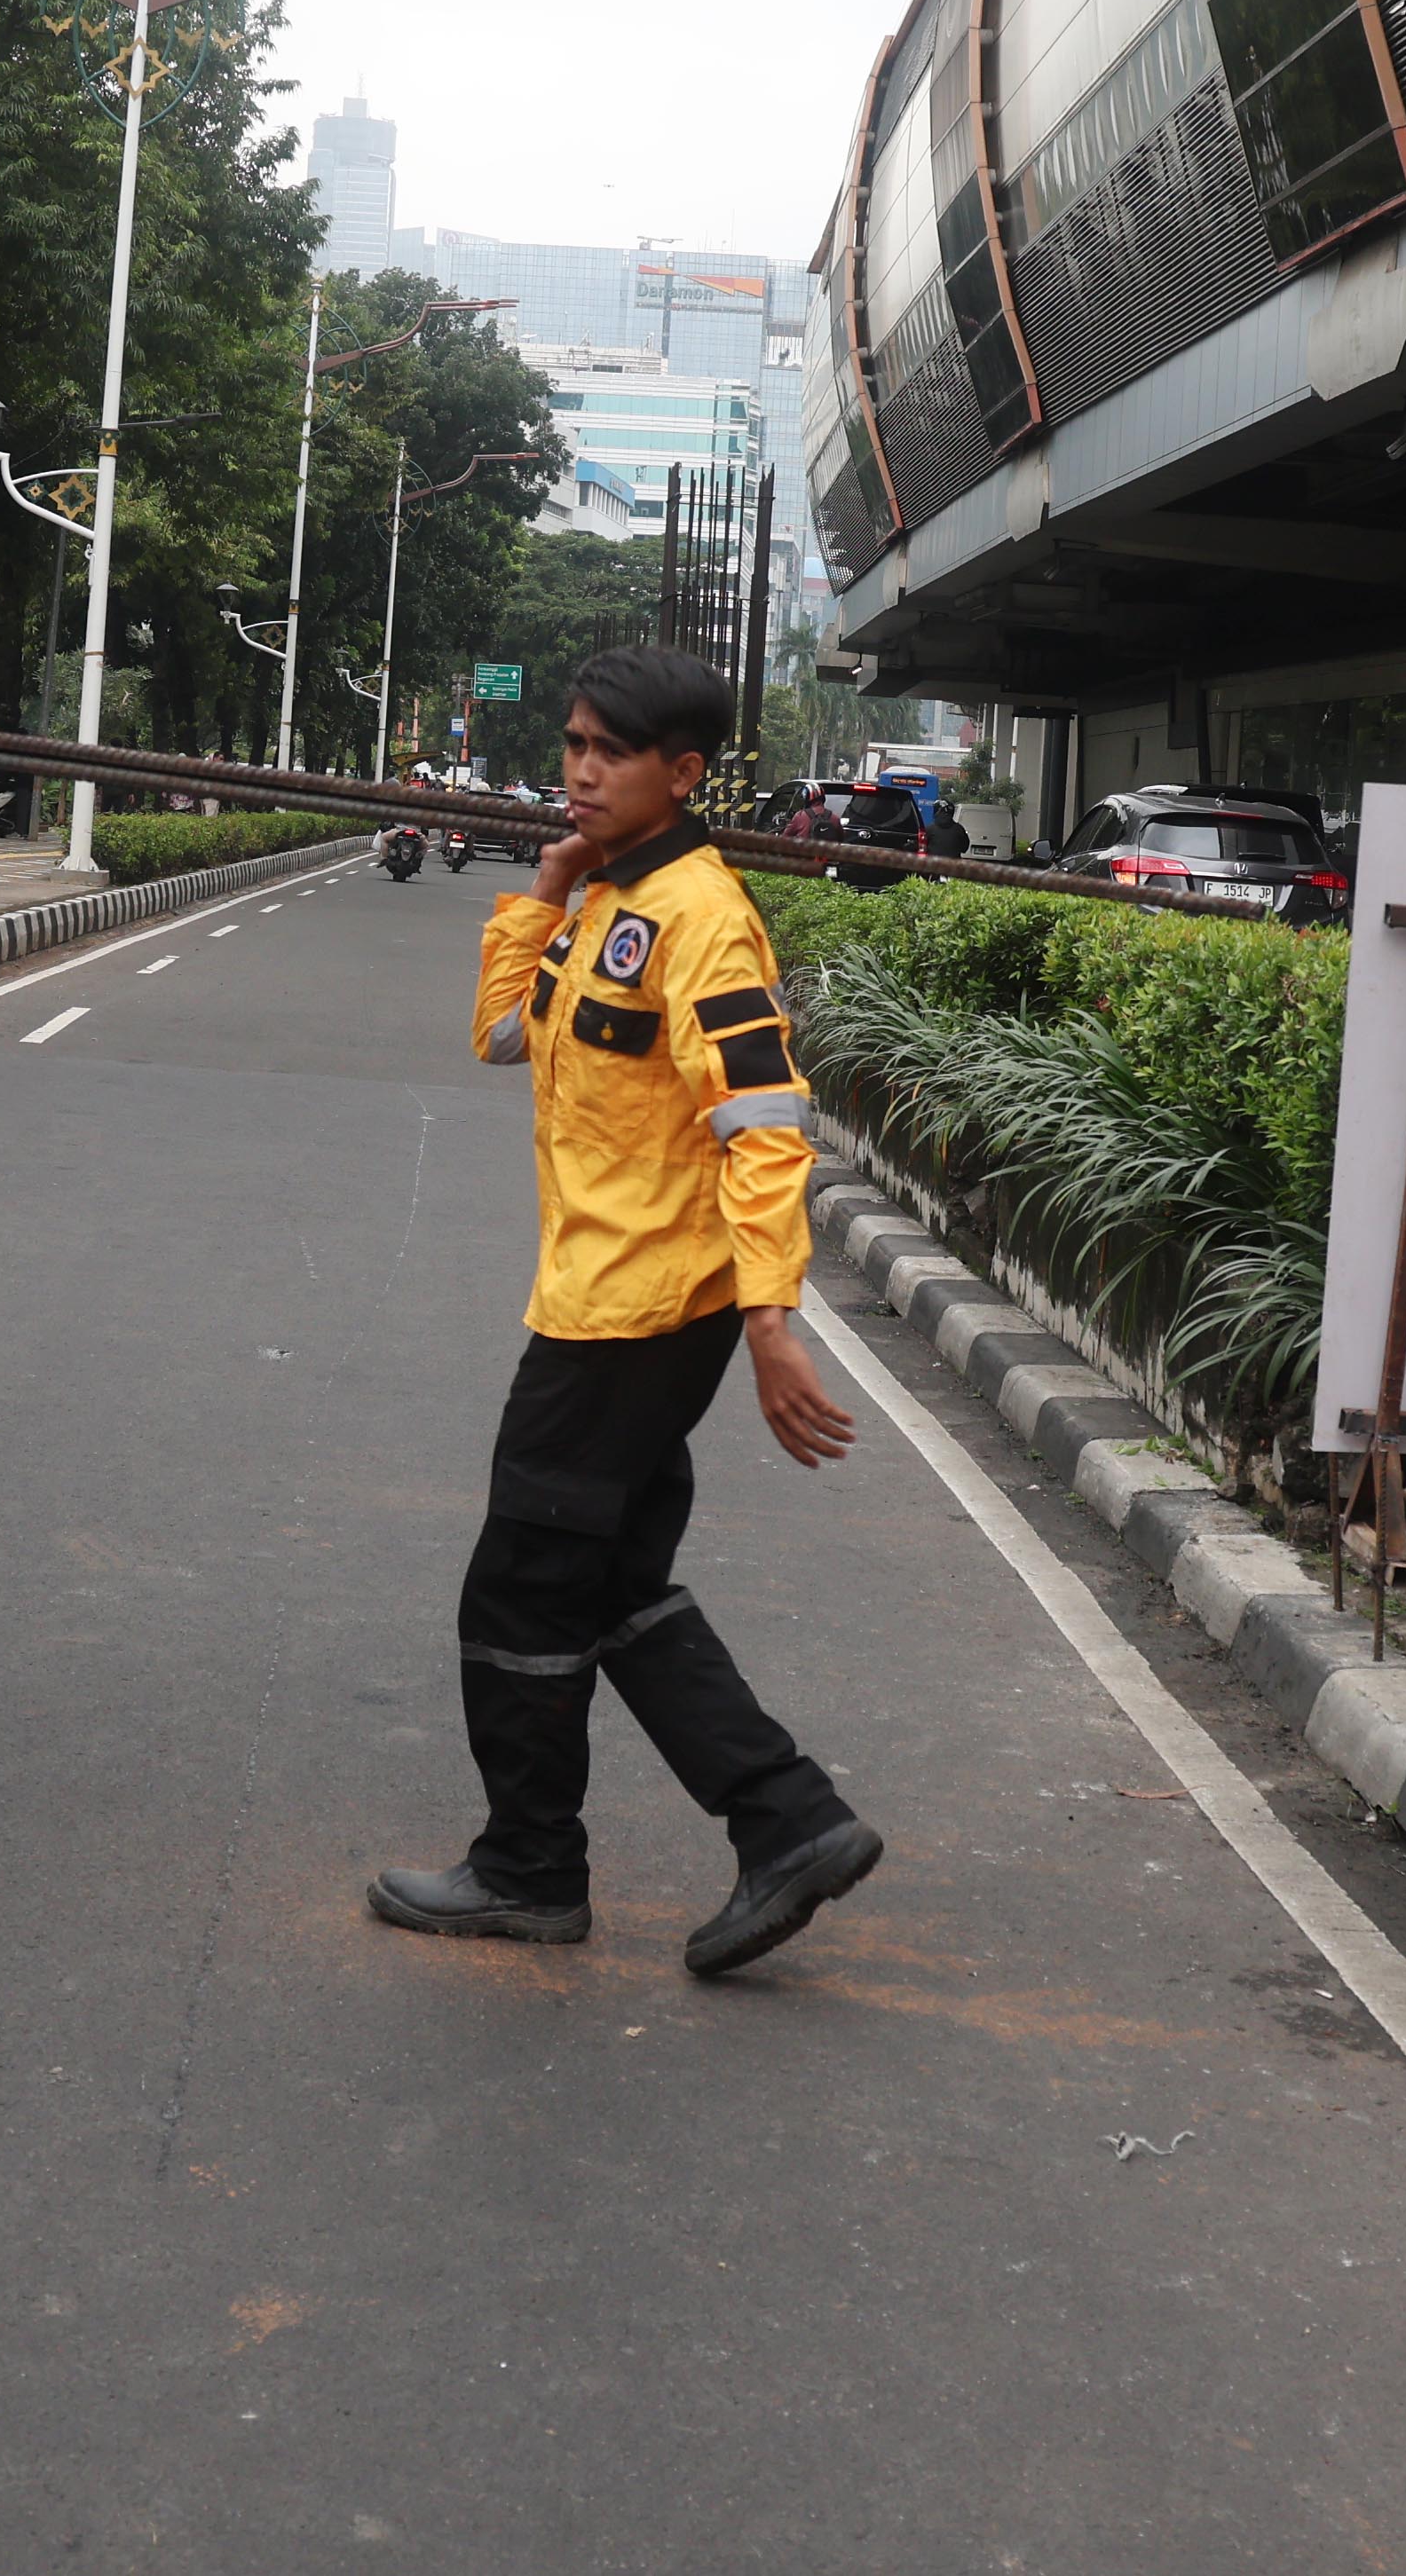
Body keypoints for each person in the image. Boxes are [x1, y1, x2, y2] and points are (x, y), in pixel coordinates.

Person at [372, 642, 888, 1978]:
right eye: (575, 745)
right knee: (609, 1583)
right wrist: (538, 900)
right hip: (606, 1295)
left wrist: (773, 1320)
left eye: (611, 750)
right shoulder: (606, 900)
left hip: (640, 1314)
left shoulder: (705, 914)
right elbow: (504, 1039)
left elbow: (766, 1127)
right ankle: (788, 1820)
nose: (583, 770)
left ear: (685, 772)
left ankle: (532, 1868)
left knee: (520, 1590)